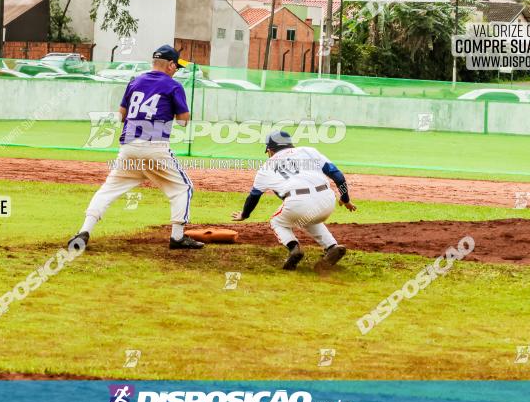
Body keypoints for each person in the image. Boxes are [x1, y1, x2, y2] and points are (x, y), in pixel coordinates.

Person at [68, 45, 203, 252]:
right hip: (155, 147)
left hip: (129, 147)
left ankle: (83, 231)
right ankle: (177, 237)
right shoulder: (173, 85)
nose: (176, 69)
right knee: (182, 188)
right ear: (169, 64)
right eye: (176, 66)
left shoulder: (135, 82)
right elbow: (184, 121)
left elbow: (121, 115)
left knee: (108, 190)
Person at [231, 131, 356, 270]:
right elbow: (338, 176)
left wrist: (245, 214)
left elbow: (254, 196)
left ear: (270, 150)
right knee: (306, 218)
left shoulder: (265, 167)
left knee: (277, 221)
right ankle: (332, 246)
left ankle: (294, 248)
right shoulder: (309, 151)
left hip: (298, 202)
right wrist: (345, 199)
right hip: (327, 200)